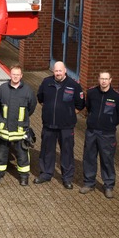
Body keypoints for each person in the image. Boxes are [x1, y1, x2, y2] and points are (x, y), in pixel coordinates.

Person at [36, 61, 85, 189]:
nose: (58, 73)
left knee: (67, 152)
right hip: (49, 125)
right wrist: (50, 110)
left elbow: (80, 105)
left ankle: (67, 178)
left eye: (60, 71)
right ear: (53, 71)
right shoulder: (46, 82)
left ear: (65, 71)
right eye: (56, 71)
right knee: (47, 150)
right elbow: (40, 99)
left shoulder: (74, 85)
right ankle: (46, 173)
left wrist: (67, 114)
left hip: (66, 126)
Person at [80, 71, 119, 199]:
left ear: (111, 80)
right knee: (89, 157)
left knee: (107, 159)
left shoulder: (118, 97)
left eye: (106, 79)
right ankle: (89, 183)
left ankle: (109, 185)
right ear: (98, 79)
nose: (104, 81)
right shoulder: (92, 93)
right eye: (101, 78)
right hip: (92, 131)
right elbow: (88, 108)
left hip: (107, 134)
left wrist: (110, 124)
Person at [0, 65, 37, 186]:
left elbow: (31, 108)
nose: (15, 76)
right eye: (13, 74)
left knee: (22, 155)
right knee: (1, 154)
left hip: (20, 130)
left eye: (18, 74)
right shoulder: (2, 89)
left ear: (21, 76)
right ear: (10, 75)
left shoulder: (28, 91)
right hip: (4, 130)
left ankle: (23, 176)